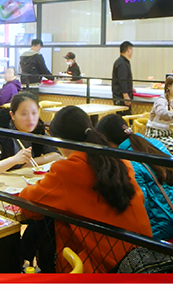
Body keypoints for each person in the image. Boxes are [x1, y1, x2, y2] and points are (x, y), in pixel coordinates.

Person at [18, 106, 152, 273]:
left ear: (60, 141)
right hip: (143, 256)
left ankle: (19, 270)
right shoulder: (119, 161)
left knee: (47, 227)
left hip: (104, 267)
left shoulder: (67, 170)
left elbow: (27, 204)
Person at [96, 114, 173, 242]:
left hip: (165, 232)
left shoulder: (127, 163)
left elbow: (140, 208)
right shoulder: (154, 143)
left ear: (107, 142)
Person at [0, 92, 62, 177]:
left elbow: (57, 154)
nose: (30, 119)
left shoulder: (38, 130)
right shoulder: (0, 133)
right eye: (24, 114)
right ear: (12, 115)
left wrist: (29, 164)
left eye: (34, 113)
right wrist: (14, 160)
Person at [112, 40, 134, 114]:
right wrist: (126, 96)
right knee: (124, 116)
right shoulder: (122, 64)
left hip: (120, 97)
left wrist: (130, 88)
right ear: (128, 50)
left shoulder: (122, 62)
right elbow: (122, 80)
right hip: (121, 98)